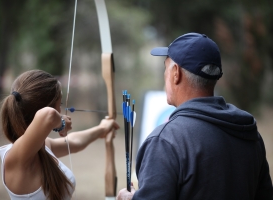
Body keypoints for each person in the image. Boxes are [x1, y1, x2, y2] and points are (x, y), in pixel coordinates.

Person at [116, 33, 273, 200]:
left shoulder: (165, 142)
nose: (165, 75)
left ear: (176, 73)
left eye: (165, 68)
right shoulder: (250, 134)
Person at [0, 69, 119, 200]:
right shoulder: (17, 157)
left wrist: (102, 129)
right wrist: (61, 124)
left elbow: (73, 142)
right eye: (59, 104)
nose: (61, 110)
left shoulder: (42, 147)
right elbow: (48, 116)